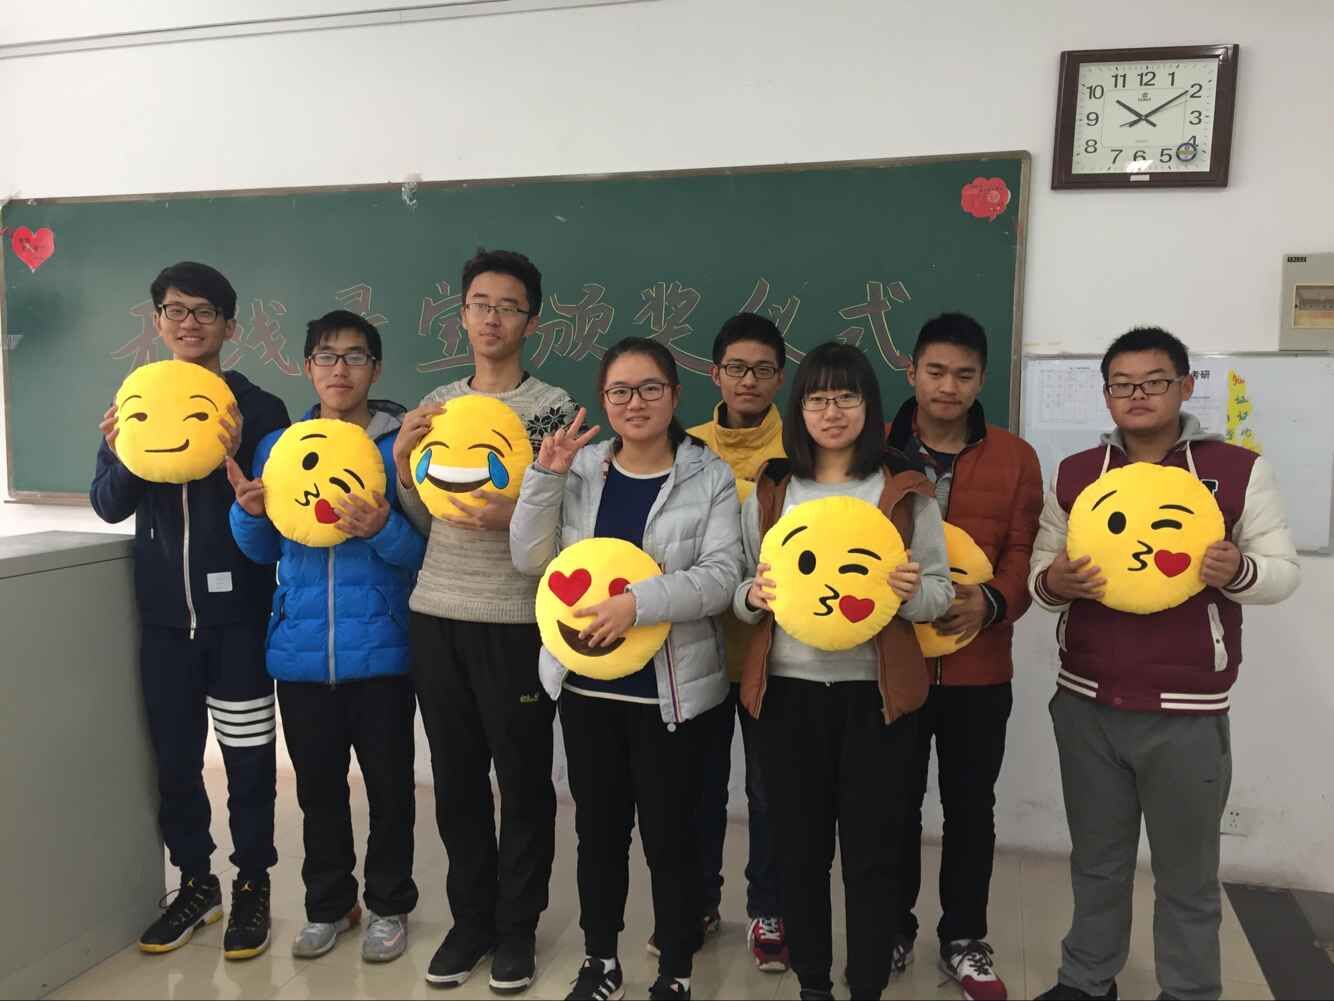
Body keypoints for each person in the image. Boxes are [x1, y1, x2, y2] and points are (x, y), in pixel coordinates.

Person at [1029, 327, 1300, 1001]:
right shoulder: (1076, 474)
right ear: (1106, 395)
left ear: (1185, 386)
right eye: (1122, 384)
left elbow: (1283, 571)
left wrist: (1239, 569)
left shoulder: (1236, 469)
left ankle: (1189, 990)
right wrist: (1056, 580)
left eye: (1154, 381)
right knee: (1098, 861)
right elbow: (1040, 575)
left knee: (1187, 874)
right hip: (1087, 701)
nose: (1138, 395)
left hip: (1187, 711)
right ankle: (1086, 980)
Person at [510, 336, 743, 1001]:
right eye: (619, 390)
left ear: (675, 395)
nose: (634, 402)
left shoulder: (710, 475)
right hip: (587, 688)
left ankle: (675, 969)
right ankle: (601, 960)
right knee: (599, 834)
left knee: (671, 837)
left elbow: (722, 577)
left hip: (669, 692)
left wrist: (637, 603)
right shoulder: (579, 468)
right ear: (603, 399)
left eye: (649, 388)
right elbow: (529, 558)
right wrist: (544, 478)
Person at [734, 341, 953, 1001]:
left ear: (870, 406)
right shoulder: (774, 489)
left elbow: (939, 594)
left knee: (873, 853)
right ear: (799, 409)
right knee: (799, 851)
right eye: (818, 399)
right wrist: (752, 597)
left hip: (876, 698)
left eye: (847, 397)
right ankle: (813, 983)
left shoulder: (904, 490)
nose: (832, 412)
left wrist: (908, 592)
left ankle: (866, 985)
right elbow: (741, 587)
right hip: (787, 695)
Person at [90, 261, 290, 960]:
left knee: (249, 761)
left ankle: (254, 882)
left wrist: (239, 461)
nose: (189, 323)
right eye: (175, 310)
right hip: (164, 625)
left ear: (229, 326)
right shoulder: (135, 400)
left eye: (205, 311)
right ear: (158, 321)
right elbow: (106, 504)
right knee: (176, 761)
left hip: (238, 624)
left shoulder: (259, 408)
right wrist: (123, 451)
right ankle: (197, 883)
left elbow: (283, 511)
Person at [391, 248, 577, 992]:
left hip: (517, 618)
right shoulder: (437, 403)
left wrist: (519, 516)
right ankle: (470, 921)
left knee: (524, 781)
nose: (491, 317)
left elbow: (572, 524)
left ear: (531, 320)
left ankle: (517, 925)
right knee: (456, 778)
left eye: (507, 306)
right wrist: (401, 466)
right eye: (479, 303)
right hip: (438, 611)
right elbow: (423, 517)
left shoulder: (554, 407)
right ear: (461, 314)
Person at [227, 310, 425, 963]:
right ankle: (330, 904)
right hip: (301, 652)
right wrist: (248, 513)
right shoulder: (279, 447)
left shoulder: (400, 447)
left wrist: (381, 529)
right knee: (317, 789)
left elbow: (423, 554)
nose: (341, 369)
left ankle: (390, 903)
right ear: (308, 367)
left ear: (376, 368)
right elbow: (262, 549)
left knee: (391, 787)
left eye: (355, 356)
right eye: (327, 356)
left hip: (384, 650)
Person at [883, 313, 1043, 1001]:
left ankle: (964, 937)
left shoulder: (1015, 457)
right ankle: (891, 926)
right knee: (891, 804)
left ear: (982, 380)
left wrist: (994, 602)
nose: (948, 387)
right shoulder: (873, 448)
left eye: (964, 374)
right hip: (894, 662)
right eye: (936, 371)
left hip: (980, 666)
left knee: (970, 807)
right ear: (912, 371)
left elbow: (1024, 549)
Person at [684, 312, 789, 972]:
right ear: (715, 373)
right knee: (699, 789)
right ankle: (698, 901)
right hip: (695, 646)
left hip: (772, 653)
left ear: (780, 377)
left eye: (763, 369)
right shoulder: (684, 446)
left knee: (770, 791)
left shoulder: (803, 449)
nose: (748, 380)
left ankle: (769, 908)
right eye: (736, 368)